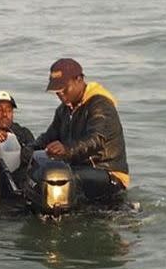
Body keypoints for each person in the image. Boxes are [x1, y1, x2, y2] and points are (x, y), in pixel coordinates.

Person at [30, 58, 129, 201]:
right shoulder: (64, 110)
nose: (60, 94)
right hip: (78, 168)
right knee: (40, 172)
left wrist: (67, 149)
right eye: (57, 91)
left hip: (107, 173)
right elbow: (49, 136)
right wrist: (29, 150)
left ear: (79, 79)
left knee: (59, 179)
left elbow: (96, 140)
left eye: (64, 88)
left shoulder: (100, 104)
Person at [0, 90, 34, 195]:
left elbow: (35, 154)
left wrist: (20, 150)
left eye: (9, 110)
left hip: (17, 184)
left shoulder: (23, 133)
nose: (4, 114)